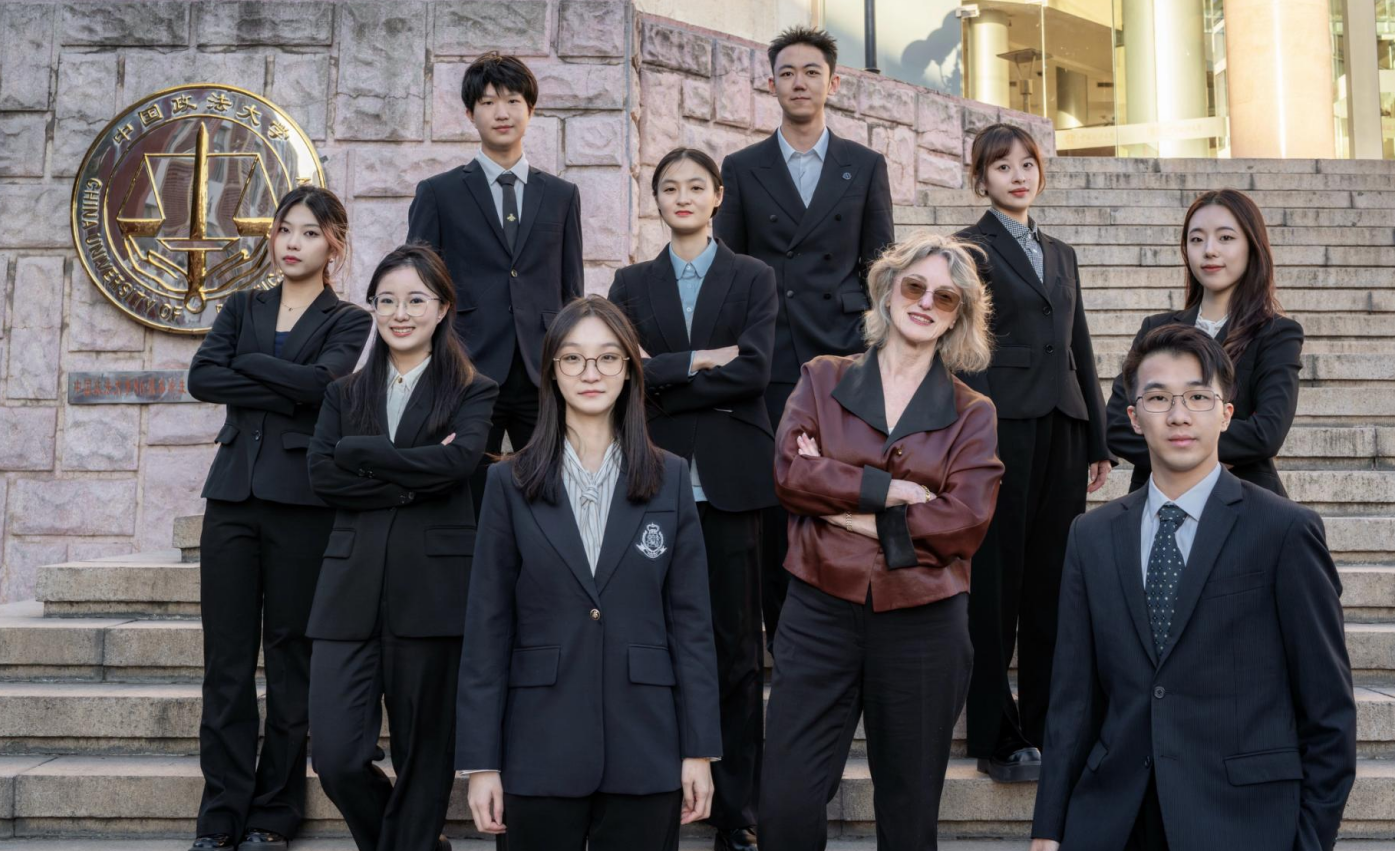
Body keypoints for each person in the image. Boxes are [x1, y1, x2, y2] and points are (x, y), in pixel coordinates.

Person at [1030, 324, 1355, 851]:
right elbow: (1072, 702)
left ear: (1226, 414)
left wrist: (1310, 842)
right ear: (1134, 417)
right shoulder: (1090, 536)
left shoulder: (1284, 531)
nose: (1178, 415)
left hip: (1242, 822)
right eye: (1158, 398)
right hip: (1113, 820)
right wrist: (1048, 829)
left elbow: (1329, 711)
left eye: (1198, 397)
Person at [759, 233, 1004, 851]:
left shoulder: (973, 412)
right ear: (888, 290)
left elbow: (964, 522)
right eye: (915, 286)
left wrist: (843, 512)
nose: (925, 303)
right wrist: (891, 492)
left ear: (958, 316)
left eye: (944, 298)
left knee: (909, 812)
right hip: (818, 609)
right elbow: (790, 475)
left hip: (924, 620)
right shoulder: (822, 378)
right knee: (785, 803)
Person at [456, 296, 723, 851]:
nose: (590, 373)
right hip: (537, 746)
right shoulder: (509, 483)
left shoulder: (670, 478)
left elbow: (692, 625)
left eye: (607, 357)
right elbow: (487, 628)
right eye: (573, 358)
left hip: (646, 745)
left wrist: (699, 749)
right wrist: (481, 762)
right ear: (551, 372)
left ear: (628, 370)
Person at [187, 186, 373, 851]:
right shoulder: (242, 306)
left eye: (310, 232)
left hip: (302, 504)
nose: (293, 243)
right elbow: (202, 378)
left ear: (334, 245)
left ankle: (274, 813)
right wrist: (284, 381)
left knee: (291, 658)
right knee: (226, 663)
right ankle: (220, 815)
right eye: (284, 229)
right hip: (232, 500)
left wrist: (249, 363)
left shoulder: (349, 320)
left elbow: (325, 386)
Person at [608, 147, 778, 851]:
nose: (682, 196)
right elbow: (623, 373)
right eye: (669, 186)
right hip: (654, 479)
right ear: (656, 200)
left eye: (695, 186)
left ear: (718, 197)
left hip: (734, 484)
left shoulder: (753, 276)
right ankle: (660, 796)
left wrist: (666, 375)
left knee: (736, 650)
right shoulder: (630, 282)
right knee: (654, 644)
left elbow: (755, 371)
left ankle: (735, 810)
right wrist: (702, 360)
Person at [304, 244, 498, 851]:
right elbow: (322, 475)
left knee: (423, 755)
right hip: (348, 592)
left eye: (415, 300)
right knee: (335, 755)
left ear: (442, 308)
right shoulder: (344, 394)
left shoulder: (472, 389)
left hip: (433, 591)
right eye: (386, 300)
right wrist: (416, 476)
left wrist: (362, 456)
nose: (400, 313)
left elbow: (458, 463)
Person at [713, 25, 895, 654]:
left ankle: (838, 636)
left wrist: (877, 356)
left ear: (833, 83)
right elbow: (730, 269)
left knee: (837, 491)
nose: (799, 82)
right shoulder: (741, 168)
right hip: (769, 357)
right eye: (787, 72)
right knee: (774, 501)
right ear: (771, 83)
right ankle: (783, 641)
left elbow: (881, 270)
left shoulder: (865, 165)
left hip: (842, 353)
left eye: (812, 72)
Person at [954, 122, 1113, 783]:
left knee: (1053, 580)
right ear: (980, 179)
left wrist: (1098, 436)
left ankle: (1050, 725)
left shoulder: (1061, 252)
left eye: (1027, 164)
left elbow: (1080, 345)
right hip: (1002, 426)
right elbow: (963, 344)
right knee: (996, 582)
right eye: (1002, 166)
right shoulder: (968, 248)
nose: (1017, 176)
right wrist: (979, 427)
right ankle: (995, 731)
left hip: (1064, 425)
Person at [406, 51, 583, 518]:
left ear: (531, 109)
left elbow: (571, 291)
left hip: (541, 370)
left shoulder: (562, 195)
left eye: (512, 100)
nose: (501, 112)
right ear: (470, 114)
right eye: (487, 102)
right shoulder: (438, 193)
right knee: (463, 493)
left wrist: (572, 363)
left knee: (550, 491)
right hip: (466, 367)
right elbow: (418, 287)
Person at [1106, 188, 1303, 497]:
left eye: (1225, 238)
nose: (1209, 250)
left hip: (1244, 498)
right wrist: (1194, 455)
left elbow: (1267, 433)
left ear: (1252, 246)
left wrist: (1168, 444)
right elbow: (1118, 424)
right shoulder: (1156, 329)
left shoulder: (1276, 333)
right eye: (1197, 239)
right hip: (1158, 497)